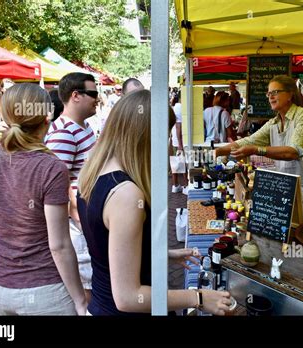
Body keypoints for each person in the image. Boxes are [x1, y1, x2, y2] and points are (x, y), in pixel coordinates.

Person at [77, 90, 231, 316]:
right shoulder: (126, 195)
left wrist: (163, 254)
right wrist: (198, 297)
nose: (167, 144)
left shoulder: (93, 170)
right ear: (148, 136)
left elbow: (108, 248)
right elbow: (128, 297)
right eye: (165, 135)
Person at [0, 84, 86, 315]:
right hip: (47, 291)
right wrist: (79, 299)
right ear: (47, 117)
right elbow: (59, 245)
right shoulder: (51, 167)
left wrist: (8, 215)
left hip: (1, 291)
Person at [215, 75, 303, 222]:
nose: (270, 97)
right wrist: (217, 152)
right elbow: (248, 141)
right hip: (291, 184)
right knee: (293, 228)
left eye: (275, 92)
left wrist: (255, 150)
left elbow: (294, 151)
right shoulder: (274, 123)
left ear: (290, 94)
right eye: (268, 93)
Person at [45, 72, 98, 303]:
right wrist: (79, 218)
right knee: (87, 284)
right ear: (75, 96)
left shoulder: (82, 126)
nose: (98, 99)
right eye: (93, 93)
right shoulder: (65, 132)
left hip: (87, 216)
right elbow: (57, 183)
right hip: (79, 225)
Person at [170, 93, 185, 193]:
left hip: (175, 140)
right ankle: (186, 185)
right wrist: (180, 144)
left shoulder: (175, 107)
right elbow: (178, 126)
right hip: (179, 141)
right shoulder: (179, 108)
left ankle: (175, 185)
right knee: (184, 163)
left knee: (175, 163)